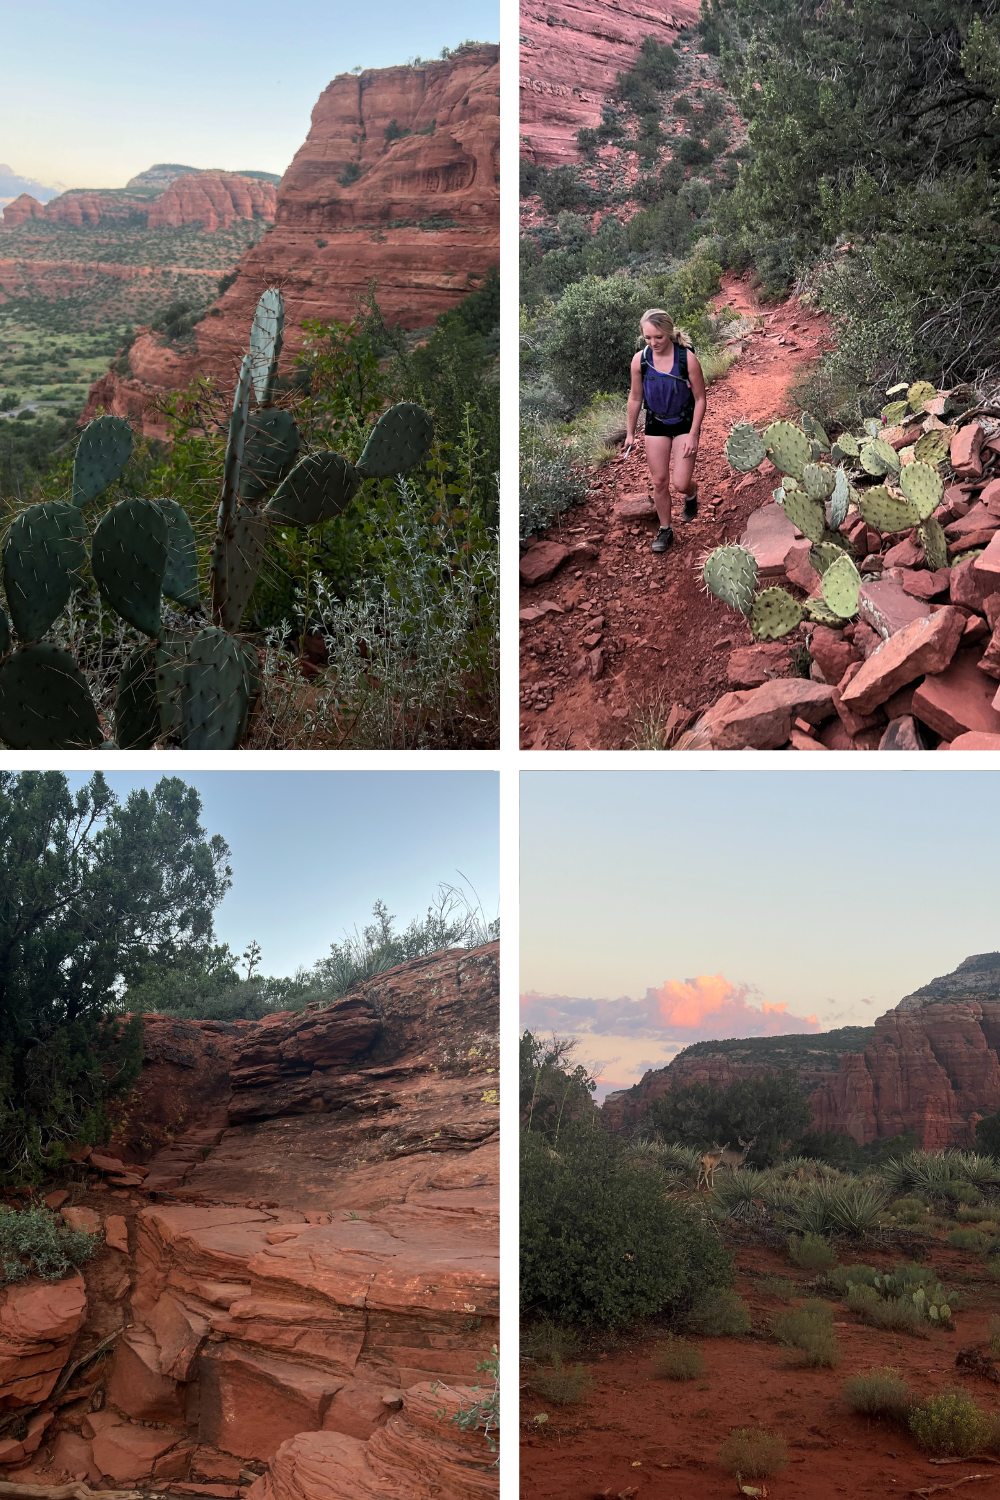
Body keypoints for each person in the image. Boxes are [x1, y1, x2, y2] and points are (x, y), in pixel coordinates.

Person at [624, 309, 707, 555]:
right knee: (659, 481)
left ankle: (691, 493)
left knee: (680, 483)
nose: (653, 343)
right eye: (648, 338)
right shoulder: (640, 360)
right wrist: (630, 432)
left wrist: (693, 433)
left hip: (684, 421)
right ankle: (665, 529)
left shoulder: (686, 359)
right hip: (656, 423)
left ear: (669, 332)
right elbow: (635, 396)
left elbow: (700, 398)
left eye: (658, 337)